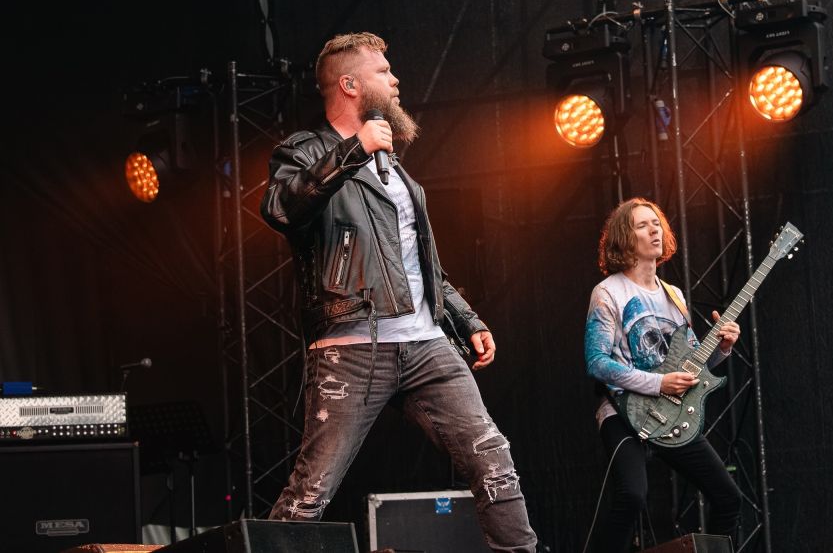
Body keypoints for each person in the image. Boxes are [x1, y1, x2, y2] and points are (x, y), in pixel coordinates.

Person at [260, 32, 537, 552]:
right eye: (383, 71)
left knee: (493, 459)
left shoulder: (396, 169)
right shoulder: (307, 150)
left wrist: (466, 319)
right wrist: (353, 152)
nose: (395, 79)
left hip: (425, 343)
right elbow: (281, 209)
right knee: (311, 491)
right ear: (349, 85)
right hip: (350, 347)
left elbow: (420, 263)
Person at [584, 198, 742, 552]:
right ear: (625, 237)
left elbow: (693, 366)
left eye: (656, 223)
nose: (654, 229)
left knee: (728, 497)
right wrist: (658, 383)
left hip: (670, 413)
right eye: (642, 225)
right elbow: (597, 362)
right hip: (622, 412)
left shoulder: (674, 296)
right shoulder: (608, 292)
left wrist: (723, 347)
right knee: (632, 495)